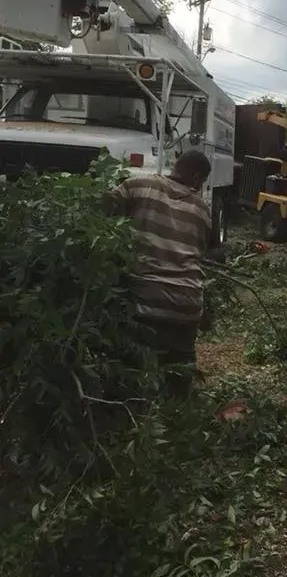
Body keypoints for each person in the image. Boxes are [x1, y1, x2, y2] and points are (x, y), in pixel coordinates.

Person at [104, 150, 213, 395]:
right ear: (196, 178)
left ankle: (129, 406)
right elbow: (202, 249)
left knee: (131, 367)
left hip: (144, 299)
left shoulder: (136, 186)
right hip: (187, 302)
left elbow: (102, 212)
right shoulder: (202, 210)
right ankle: (179, 414)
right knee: (179, 368)